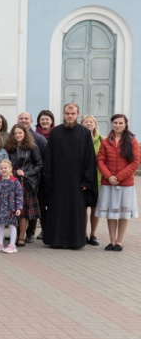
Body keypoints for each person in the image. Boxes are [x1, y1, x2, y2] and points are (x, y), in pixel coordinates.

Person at [42, 103, 97, 249]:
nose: (70, 116)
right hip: (58, 180)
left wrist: (87, 180)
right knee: (58, 210)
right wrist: (48, 178)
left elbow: (89, 157)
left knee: (76, 211)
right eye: (67, 113)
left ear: (77, 114)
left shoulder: (84, 133)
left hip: (77, 181)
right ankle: (56, 241)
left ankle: (75, 241)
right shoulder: (55, 132)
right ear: (63, 114)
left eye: (72, 114)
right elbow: (49, 157)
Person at [95, 114, 140, 252]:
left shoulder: (132, 141)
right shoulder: (105, 141)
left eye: (121, 123)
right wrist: (108, 176)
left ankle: (120, 241)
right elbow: (100, 160)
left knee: (123, 213)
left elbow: (135, 161)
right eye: (115, 122)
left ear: (125, 124)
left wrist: (119, 177)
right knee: (111, 213)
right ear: (112, 124)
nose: (118, 125)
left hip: (125, 184)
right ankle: (112, 240)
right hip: (109, 183)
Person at [5, 124, 43, 247]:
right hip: (11, 181)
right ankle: (13, 235)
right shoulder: (9, 148)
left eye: (20, 133)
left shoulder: (33, 147)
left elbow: (39, 165)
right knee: (12, 210)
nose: (17, 135)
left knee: (22, 212)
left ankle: (21, 237)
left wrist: (26, 173)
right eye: (15, 133)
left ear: (25, 134)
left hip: (26, 182)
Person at [0, 159, 24, 253]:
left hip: (11, 208)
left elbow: (19, 195)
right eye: (1, 168)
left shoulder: (15, 181)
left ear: (10, 169)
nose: (3, 170)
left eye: (5, 168)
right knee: (0, 225)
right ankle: (0, 243)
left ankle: (12, 244)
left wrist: (19, 208)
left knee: (12, 225)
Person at [80, 115, 103, 246]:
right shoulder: (78, 139)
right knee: (82, 208)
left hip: (98, 179)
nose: (88, 123)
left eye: (91, 121)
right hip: (82, 179)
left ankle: (93, 234)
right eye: (85, 121)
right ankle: (82, 233)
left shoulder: (102, 140)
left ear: (95, 124)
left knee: (95, 208)